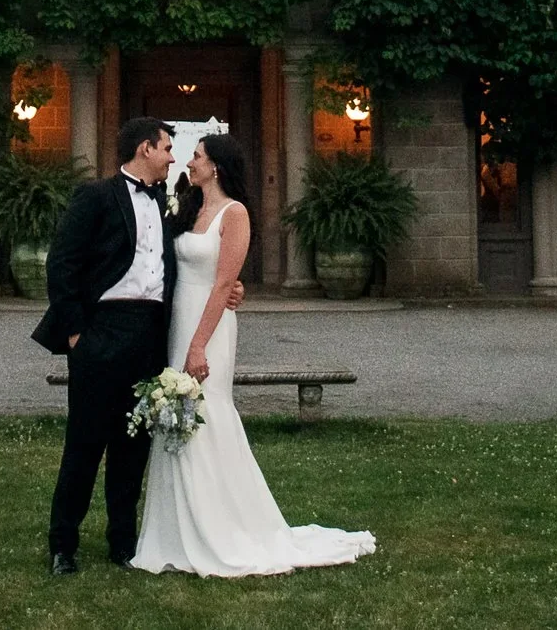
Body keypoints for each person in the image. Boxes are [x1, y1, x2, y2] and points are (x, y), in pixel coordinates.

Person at [130, 133, 376, 576]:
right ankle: (174, 532)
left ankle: (221, 527)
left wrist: (199, 344)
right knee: (177, 411)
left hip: (210, 326)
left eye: (198, 156)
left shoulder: (235, 213)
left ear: (217, 166)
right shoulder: (187, 208)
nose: (190, 162)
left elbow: (224, 283)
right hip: (178, 320)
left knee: (207, 412)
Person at [33, 117, 244, 575]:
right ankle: (62, 545)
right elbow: (62, 265)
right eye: (168, 148)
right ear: (146, 149)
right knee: (85, 444)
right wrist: (75, 335)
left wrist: (233, 289)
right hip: (101, 331)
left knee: (133, 448)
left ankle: (123, 544)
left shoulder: (172, 209)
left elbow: (197, 265)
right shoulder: (96, 197)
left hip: (151, 335)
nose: (174, 156)